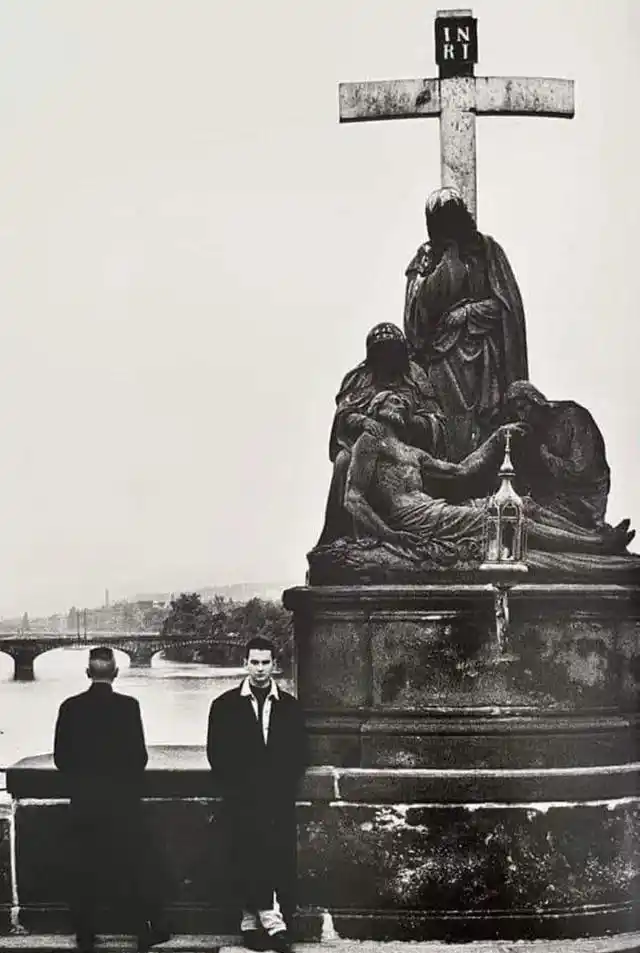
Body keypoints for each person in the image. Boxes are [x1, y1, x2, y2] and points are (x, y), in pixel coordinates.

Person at [343, 390, 634, 561]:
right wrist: (389, 535)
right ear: (375, 408)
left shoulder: (412, 452)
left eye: (404, 404)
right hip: (413, 519)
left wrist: (497, 437)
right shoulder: (370, 441)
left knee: (523, 506)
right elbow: (353, 498)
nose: (402, 405)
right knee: (505, 520)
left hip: (435, 511)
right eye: (392, 401)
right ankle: (597, 548)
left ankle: (593, 535)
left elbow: (461, 470)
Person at [53, 647, 171, 953]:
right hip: (122, 804)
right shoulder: (128, 707)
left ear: (88, 673)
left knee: (84, 867)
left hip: (84, 804)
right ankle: (143, 932)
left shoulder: (70, 707)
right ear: (116, 673)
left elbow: (62, 759)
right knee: (133, 866)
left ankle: (85, 934)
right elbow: (139, 758)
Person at [404, 187, 528, 461]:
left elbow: (506, 307)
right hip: (442, 360)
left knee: (485, 427)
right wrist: (448, 261)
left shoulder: (488, 252)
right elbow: (416, 317)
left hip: (484, 360)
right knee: (446, 428)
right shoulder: (426, 257)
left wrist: (468, 312)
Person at [206, 636, 307, 953]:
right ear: (244, 664)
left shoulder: (290, 706)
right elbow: (216, 754)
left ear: (274, 665)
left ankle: (252, 923)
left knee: (272, 859)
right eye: (254, 662)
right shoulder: (223, 706)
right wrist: (239, 787)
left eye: (265, 663)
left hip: (277, 797)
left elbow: (299, 754)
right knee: (246, 857)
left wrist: (279, 784)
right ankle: (271, 924)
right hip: (241, 797)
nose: (260, 669)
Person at [315, 322, 446, 546]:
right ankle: (346, 535)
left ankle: (420, 526)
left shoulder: (415, 377)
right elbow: (343, 414)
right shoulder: (358, 378)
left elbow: (436, 419)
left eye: (392, 351)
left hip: (406, 449)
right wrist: (363, 421)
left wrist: (411, 423)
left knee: (424, 468)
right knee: (343, 461)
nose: (387, 358)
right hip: (367, 448)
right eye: (381, 352)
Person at [503, 380, 616, 531]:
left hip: (586, 498)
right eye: (517, 413)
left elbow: (581, 470)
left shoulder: (573, 416)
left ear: (535, 401)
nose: (522, 416)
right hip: (554, 497)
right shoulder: (534, 430)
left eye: (523, 408)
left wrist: (547, 458)